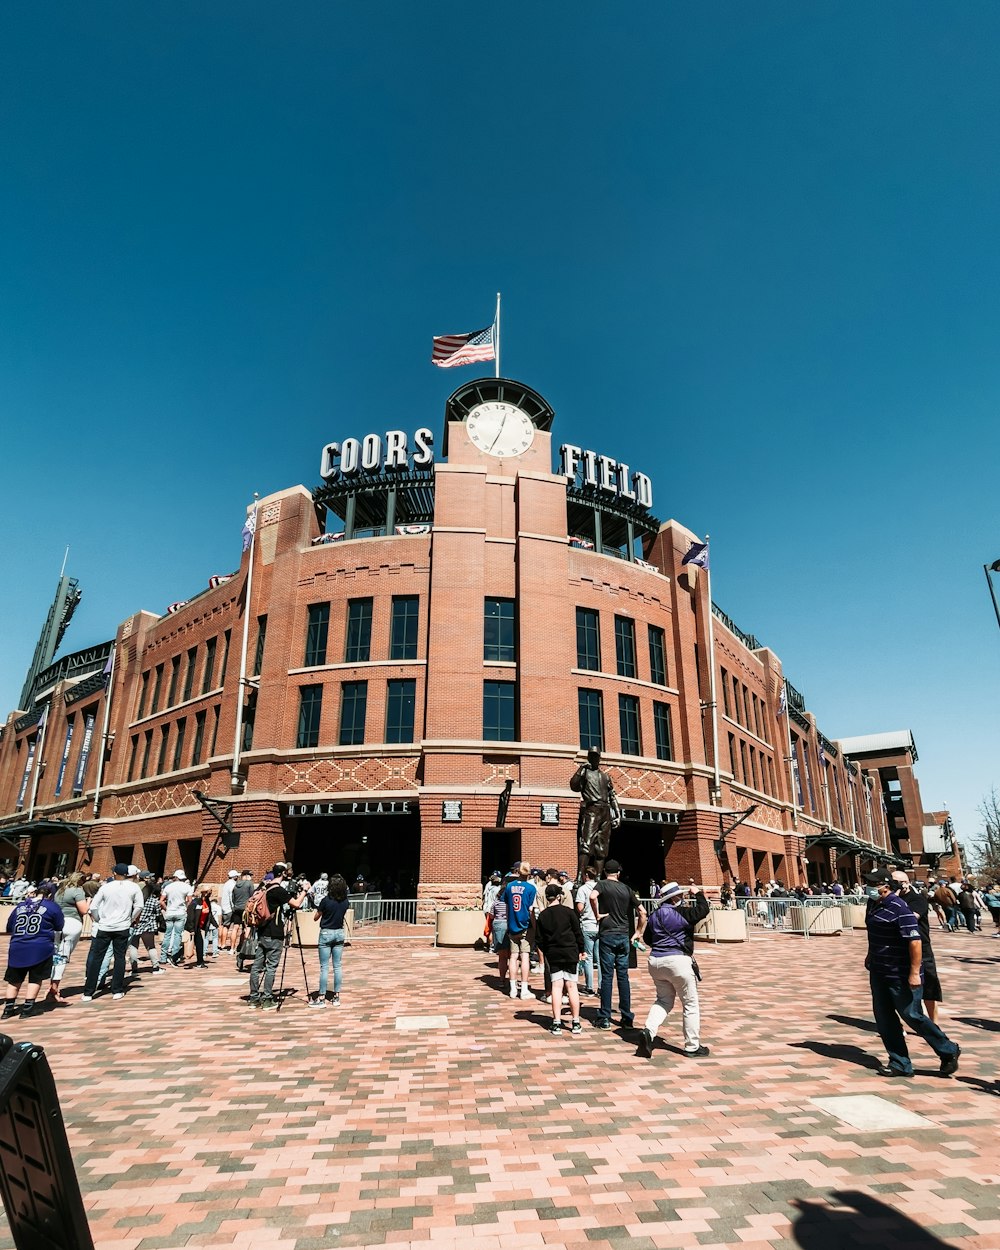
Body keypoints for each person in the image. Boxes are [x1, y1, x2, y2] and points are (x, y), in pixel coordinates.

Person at [863, 869, 960, 1078]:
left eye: (873, 883)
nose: (868, 887)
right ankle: (900, 1063)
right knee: (884, 1018)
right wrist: (870, 955)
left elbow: (914, 942)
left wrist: (915, 973)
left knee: (912, 1014)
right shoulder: (873, 905)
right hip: (879, 971)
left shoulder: (900, 908)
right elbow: (873, 934)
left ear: (886, 886)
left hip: (901, 972)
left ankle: (948, 1049)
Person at [638, 880, 710, 1059]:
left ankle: (649, 1030)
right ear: (675, 898)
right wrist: (698, 894)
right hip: (678, 960)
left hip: (656, 961)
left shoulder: (654, 916)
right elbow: (703, 910)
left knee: (663, 1000)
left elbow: (648, 939)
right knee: (690, 1004)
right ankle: (692, 1045)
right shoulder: (682, 913)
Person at [590, 860, 646, 1031]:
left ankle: (605, 1017)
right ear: (619, 873)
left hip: (607, 934)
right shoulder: (626, 888)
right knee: (623, 976)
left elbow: (592, 897)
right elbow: (643, 912)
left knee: (607, 976)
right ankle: (626, 1016)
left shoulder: (602, 885)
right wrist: (638, 932)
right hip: (623, 935)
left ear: (605, 872)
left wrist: (597, 914)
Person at [248, 863, 309, 1009]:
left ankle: (254, 998)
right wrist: (305, 891)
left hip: (262, 931)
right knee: (271, 967)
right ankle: (268, 999)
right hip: (274, 933)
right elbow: (296, 904)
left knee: (257, 967)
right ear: (282, 874)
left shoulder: (265, 887)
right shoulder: (278, 890)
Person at [81, 864, 144, 1002]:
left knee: (97, 958)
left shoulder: (106, 887)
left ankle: (88, 992)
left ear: (114, 872)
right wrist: (131, 918)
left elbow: (93, 907)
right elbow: (139, 906)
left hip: (105, 926)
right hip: (122, 926)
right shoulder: (134, 887)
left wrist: (99, 919)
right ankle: (117, 990)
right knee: (119, 957)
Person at [3, 883, 65, 1019]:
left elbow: (9, 926)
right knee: (35, 978)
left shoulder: (21, 906)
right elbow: (59, 926)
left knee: (14, 980)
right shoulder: (52, 906)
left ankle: (8, 1010)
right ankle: (27, 1008)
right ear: (50, 894)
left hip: (17, 946)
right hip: (40, 947)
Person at [891, 871, 943, 1023]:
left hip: (921, 948)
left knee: (928, 988)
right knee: (900, 989)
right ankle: (905, 1022)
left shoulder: (917, 899)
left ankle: (934, 1023)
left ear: (906, 883)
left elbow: (910, 918)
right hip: (899, 949)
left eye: (897, 882)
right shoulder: (890, 900)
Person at [534, 882, 585, 1035]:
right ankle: (575, 1022)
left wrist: (547, 950)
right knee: (571, 986)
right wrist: (581, 950)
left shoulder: (542, 916)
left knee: (556, 987)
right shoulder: (569, 912)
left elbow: (539, 939)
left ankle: (556, 1022)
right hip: (570, 951)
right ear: (559, 896)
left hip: (553, 953)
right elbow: (578, 933)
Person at [570, 749, 617, 882]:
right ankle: (579, 878)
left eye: (596, 756)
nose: (594, 758)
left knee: (602, 848)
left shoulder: (605, 776)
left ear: (599, 758)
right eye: (591, 756)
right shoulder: (585, 773)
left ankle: (597, 879)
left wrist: (617, 814)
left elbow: (612, 796)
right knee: (586, 844)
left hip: (605, 811)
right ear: (589, 758)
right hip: (592, 809)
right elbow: (574, 786)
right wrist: (580, 770)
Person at [48, 871, 89, 1003]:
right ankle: (54, 989)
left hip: (57, 923)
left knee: (55, 955)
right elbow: (83, 910)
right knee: (62, 957)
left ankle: (51, 985)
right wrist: (89, 900)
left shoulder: (59, 891)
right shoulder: (77, 891)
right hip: (72, 923)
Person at [313, 873, 350, 1006]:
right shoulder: (346, 901)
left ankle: (321, 997)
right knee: (337, 966)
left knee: (324, 967)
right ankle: (336, 996)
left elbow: (316, 917)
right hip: (339, 932)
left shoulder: (326, 901)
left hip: (326, 932)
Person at [501, 862, 537, 1000]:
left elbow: (507, 905)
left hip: (512, 924)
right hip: (525, 925)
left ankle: (512, 988)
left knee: (513, 957)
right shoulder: (531, 888)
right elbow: (531, 909)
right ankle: (524, 988)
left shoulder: (509, 886)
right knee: (525, 956)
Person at [158, 870, 193, 967]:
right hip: (181, 912)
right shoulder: (187, 887)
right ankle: (174, 956)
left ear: (175, 877)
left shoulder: (168, 887)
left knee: (167, 934)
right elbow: (190, 900)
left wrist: (167, 908)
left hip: (169, 912)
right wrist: (185, 908)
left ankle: (163, 957)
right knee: (178, 935)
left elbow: (161, 901)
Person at [575, 866, 600, 997]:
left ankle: (589, 987)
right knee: (600, 958)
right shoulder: (601, 887)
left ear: (585, 875)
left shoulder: (582, 889)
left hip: (587, 924)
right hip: (600, 925)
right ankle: (601, 987)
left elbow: (580, 907)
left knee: (588, 957)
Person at [185, 888, 217, 967]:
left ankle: (200, 962)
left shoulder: (206, 902)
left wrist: (215, 924)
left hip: (199, 926)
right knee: (193, 943)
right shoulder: (195, 902)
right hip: (193, 926)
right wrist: (191, 928)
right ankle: (199, 962)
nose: (209, 894)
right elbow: (191, 916)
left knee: (198, 943)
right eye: (208, 893)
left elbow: (209, 914)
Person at [229, 869, 255, 952]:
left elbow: (233, 898)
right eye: (250, 876)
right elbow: (252, 896)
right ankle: (245, 948)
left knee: (235, 927)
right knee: (247, 927)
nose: (251, 877)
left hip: (236, 908)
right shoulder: (249, 884)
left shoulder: (236, 884)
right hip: (246, 909)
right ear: (247, 876)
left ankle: (232, 948)